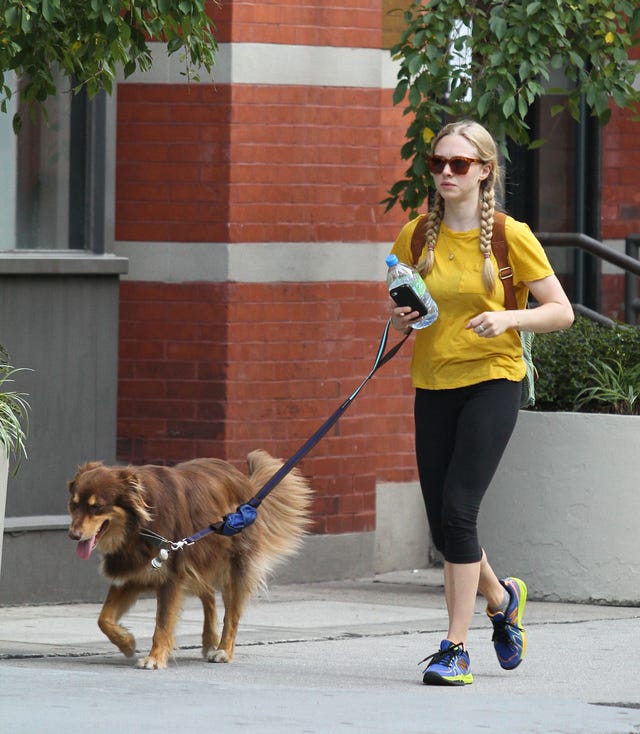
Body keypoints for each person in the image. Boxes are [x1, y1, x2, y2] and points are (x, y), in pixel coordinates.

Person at [388, 120, 574, 686]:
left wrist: (509, 318)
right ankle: (501, 598)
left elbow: (561, 311)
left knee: (460, 511)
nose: (446, 172)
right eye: (438, 163)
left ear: (485, 171)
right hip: (433, 383)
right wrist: (401, 315)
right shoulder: (415, 237)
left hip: (493, 380)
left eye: (459, 164)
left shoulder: (510, 236)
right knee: (443, 529)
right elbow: (404, 312)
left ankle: (455, 648)